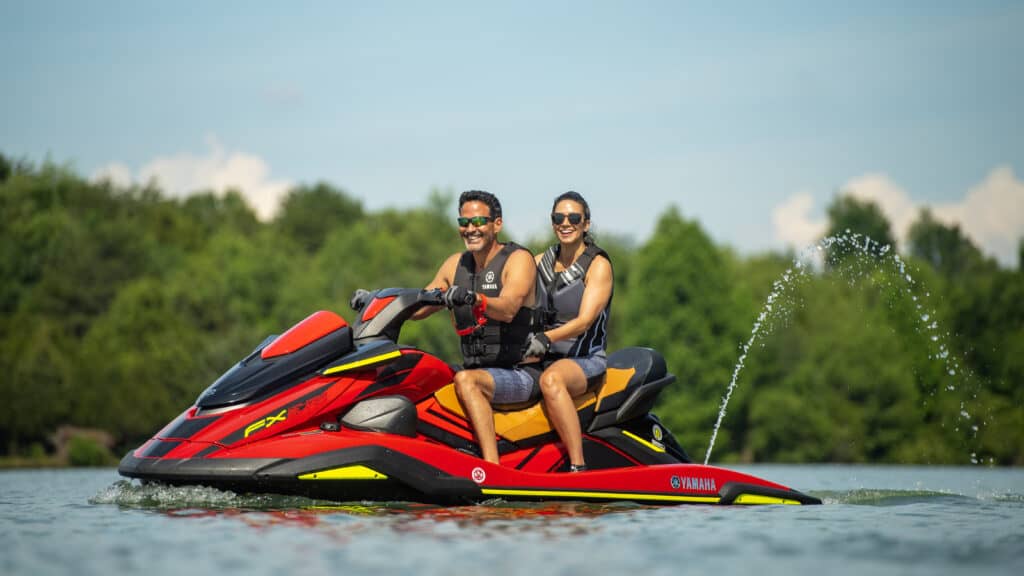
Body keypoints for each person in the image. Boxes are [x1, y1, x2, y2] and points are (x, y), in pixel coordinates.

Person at [414, 190, 538, 464]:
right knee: (419, 374)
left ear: (497, 224)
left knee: (467, 381)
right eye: (464, 222)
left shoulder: (518, 259)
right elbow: (420, 306)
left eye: (479, 221)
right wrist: (380, 301)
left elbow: (508, 308)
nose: (470, 229)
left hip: (520, 373)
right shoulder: (455, 265)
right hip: (477, 369)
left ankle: (492, 466)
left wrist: (475, 299)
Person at [521, 191, 613, 472]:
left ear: (586, 223)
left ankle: (578, 466)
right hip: (543, 356)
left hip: (586, 360)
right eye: (558, 217)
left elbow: (584, 321)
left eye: (573, 217)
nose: (565, 223)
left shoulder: (598, 266)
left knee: (551, 381)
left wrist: (546, 337)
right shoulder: (539, 262)